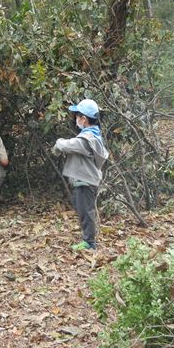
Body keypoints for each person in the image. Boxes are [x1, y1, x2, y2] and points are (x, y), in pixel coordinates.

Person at [53, 99, 109, 251]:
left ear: (83, 119)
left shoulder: (86, 139)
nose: (76, 118)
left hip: (85, 181)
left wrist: (58, 143)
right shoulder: (93, 135)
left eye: (77, 115)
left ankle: (89, 243)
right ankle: (88, 238)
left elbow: (67, 145)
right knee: (82, 208)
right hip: (85, 180)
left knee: (86, 211)